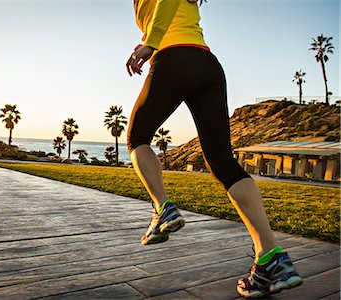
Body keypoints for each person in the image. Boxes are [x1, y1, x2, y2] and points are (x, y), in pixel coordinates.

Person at [125, 0, 303, 298]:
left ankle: (162, 210)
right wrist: (149, 39)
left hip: (173, 58)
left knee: (137, 138)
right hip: (207, 65)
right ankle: (271, 258)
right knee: (222, 161)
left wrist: (150, 44)